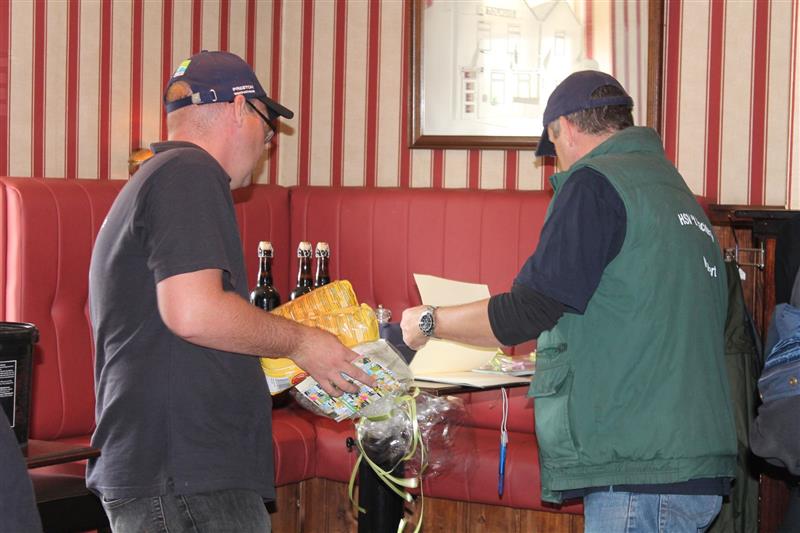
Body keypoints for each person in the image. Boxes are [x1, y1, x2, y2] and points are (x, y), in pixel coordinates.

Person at [400, 70, 737, 533]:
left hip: (640, 468)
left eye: (553, 146)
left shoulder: (593, 183)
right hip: (693, 460)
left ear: (566, 128)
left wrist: (429, 322)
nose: (556, 162)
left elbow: (529, 309)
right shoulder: (670, 188)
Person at [87, 50, 372, 533]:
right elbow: (194, 313)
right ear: (240, 108)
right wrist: (303, 342)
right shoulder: (189, 172)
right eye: (268, 127)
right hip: (185, 475)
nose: (266, 145)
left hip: (173, 471)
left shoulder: (160, 175)